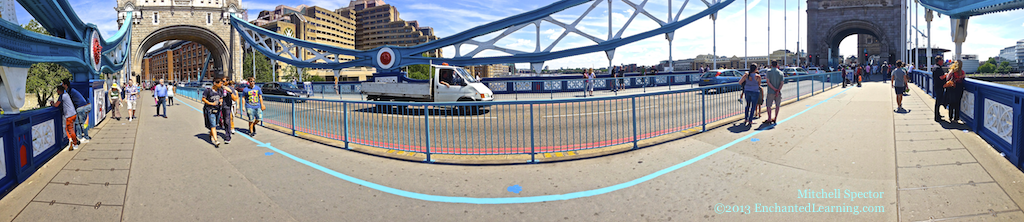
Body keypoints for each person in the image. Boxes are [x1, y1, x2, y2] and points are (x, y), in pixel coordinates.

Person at [52, 85, 80, 151]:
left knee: (70, 129)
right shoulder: (66, 94)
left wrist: (52, 103)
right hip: (73, 113)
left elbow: (56, 105)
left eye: (57, 90)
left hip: (69, 115)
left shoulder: (61, 96)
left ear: (59, 90)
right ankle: (70, 140)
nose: (56, 91)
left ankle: (75, 143)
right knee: (68, 128)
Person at [202, 78, 227, 147]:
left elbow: (221, 98)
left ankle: (212, 134)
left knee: (215, 124)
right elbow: (203, 99)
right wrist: (210, 103)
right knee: (213, 125)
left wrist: (220, 102)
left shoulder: (220, 90)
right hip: (210, 110)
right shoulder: (208, 90)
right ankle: (216, 141)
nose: (221, 85)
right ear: (215, 83)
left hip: (218, 109)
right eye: (220, 83)